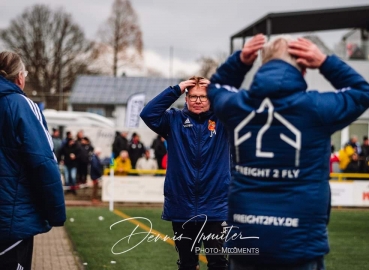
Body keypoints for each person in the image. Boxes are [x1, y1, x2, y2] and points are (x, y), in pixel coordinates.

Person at [207, 33, 369, 269]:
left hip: (246, 241)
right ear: (303, 68)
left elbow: (215, 88)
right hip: (299, 244)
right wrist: (325, 62)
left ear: (262, 64)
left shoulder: (238, 106)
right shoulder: (316, 108)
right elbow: (362, 92)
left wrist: (239, 62)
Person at [140, 76, 230, 270]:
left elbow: (249, 112)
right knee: (187, 264)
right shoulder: (173, 120)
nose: (198, 101)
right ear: (186, 98)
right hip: (182, 206)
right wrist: (177, 89)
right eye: (193, 96)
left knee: (218, 263)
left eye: (203, 97)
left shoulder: (224, 122)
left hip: (216, 205)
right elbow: (148, 113)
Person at [0, 51, 66, 270]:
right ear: (20, 77)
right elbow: (43, 162)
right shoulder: (21, 105)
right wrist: (56, 213)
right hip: (11, 220)